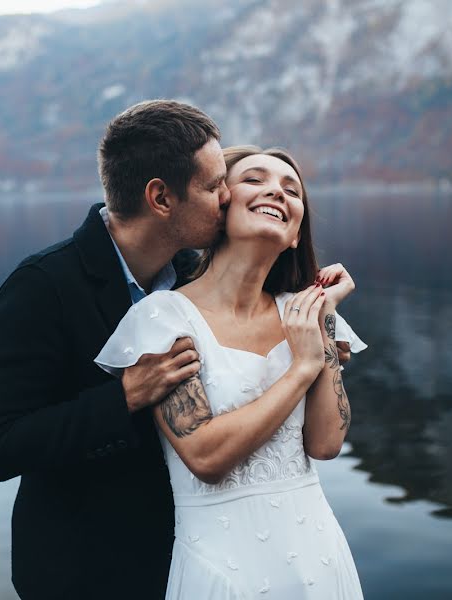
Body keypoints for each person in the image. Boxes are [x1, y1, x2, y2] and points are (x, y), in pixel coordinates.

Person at [0, 100, 231, 599]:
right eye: (212, 185)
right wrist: (124, 397)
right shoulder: (40, 287)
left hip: (190, 563)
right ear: (160, 198)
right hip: (84, 572)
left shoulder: (199, 275)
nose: (228, 196)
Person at [95, 146, 367, 598]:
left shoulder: (307, 314)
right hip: (224, 566)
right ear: (220, 208)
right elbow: (205, 457)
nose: (275, 193)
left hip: (319, 556)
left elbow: (325, 444)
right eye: (255, 180)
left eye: (291, 189)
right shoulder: (162, 319)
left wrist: (323, 327)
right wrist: (302, 368)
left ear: (297, 233)